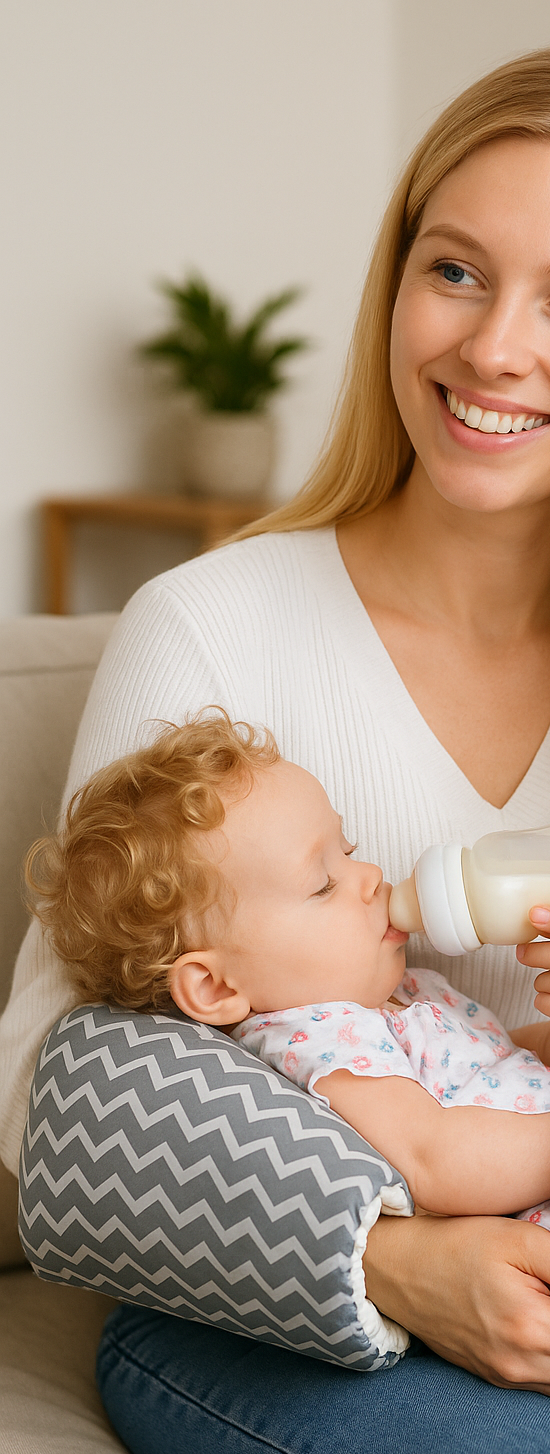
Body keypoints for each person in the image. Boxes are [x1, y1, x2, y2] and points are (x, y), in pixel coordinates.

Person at [5, 42, 550, 1452]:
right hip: (259, 1314)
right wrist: (382, 1256)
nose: (494, 347)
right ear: (394, 283)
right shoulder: (215, 622)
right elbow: (52, 1089)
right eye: (454, 270)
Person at [25, 711, 550, 1240]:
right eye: (323, 883)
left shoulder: (401, 989)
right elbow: (438, 1160)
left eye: (349, 851)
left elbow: (500, 1062)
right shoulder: (326, 1042)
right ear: (217, 987)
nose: (370, 877)